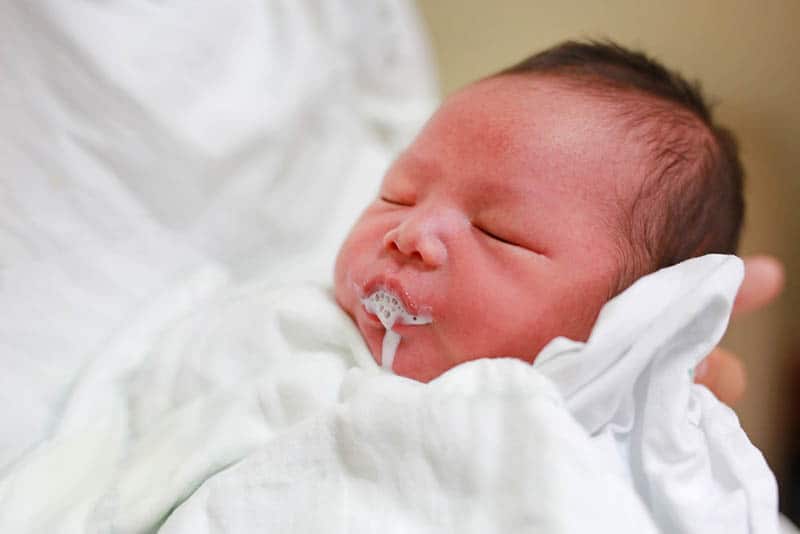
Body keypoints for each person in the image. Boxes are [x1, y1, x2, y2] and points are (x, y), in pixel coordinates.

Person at [334, 40, 783, 389]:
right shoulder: (302, 332)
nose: (408, 233)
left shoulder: (588, 428)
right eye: (397, 196)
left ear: (638, 314)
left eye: (498, 233)